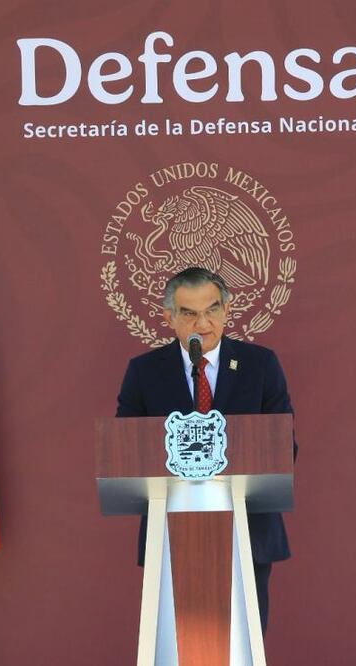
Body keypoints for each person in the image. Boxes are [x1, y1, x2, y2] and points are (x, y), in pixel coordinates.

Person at [115, 266, 295, 633]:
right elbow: (125, 454)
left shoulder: (260, 365)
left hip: (247, 531)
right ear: (169, 317)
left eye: (212, 309)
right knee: (176, 644)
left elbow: (283, 447)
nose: (203, 323)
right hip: (170, 534)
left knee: (242, 642)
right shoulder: (144, 372)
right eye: (189, 313)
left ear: (227, 310)